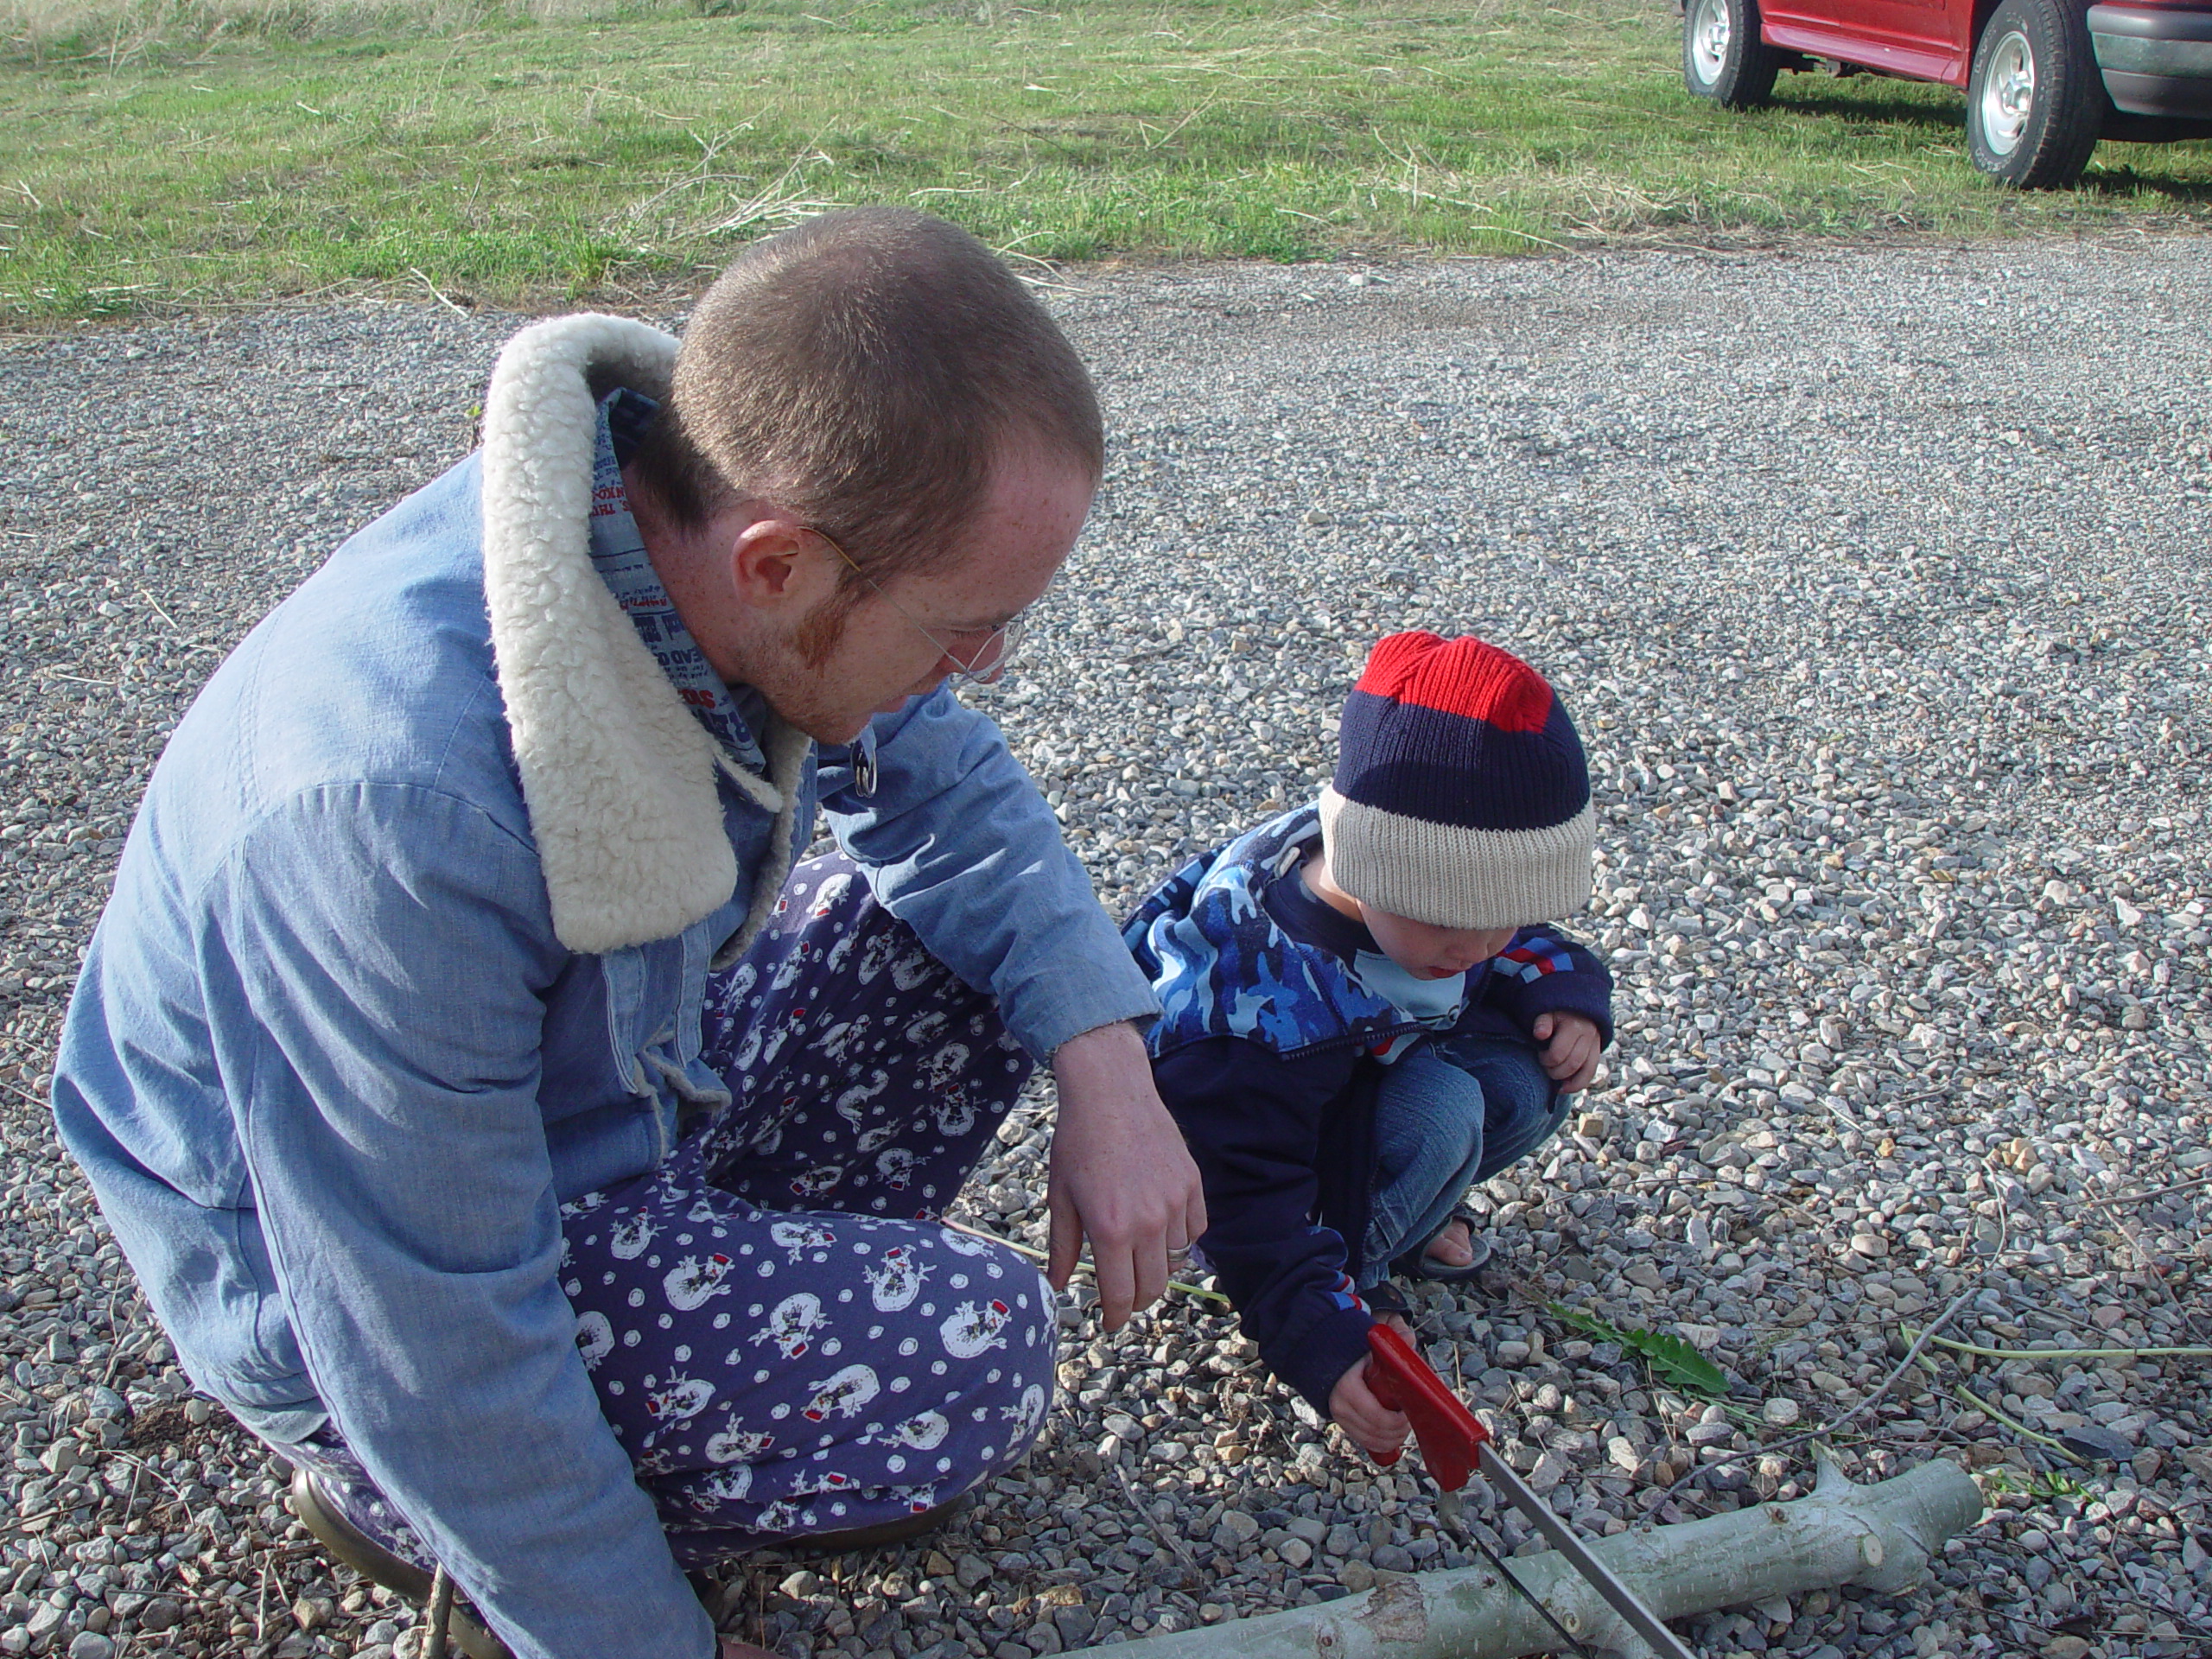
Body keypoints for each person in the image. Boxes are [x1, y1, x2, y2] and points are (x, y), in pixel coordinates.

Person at [52, 208, 1205, 1659]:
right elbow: (432, 1340)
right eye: (968, 626)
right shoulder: (393, 810)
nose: (981, 667)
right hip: (349, 1290)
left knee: (958, 948)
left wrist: (1107, 1061)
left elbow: (946, 784)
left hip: (589, 1111)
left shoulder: (678, 527)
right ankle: (419, 1523)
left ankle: (701, 1395)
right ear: (778, 565)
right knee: (974, 1349)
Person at [1123, 632, 1611, 1460]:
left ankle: (1403, 1219)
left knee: (1529, 1079)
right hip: (1247, 1156)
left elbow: (1515, 934)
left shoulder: (1436, 906)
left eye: (1504, 917)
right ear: (1368, 862)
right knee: (1446, 1110)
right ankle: (1358, 1260)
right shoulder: (1256, 1011)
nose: (1483, 944)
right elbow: (1245, 1202)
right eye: (1458, 922)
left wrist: (1564, 993)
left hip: (1356, 1071)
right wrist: (1324, 1332)